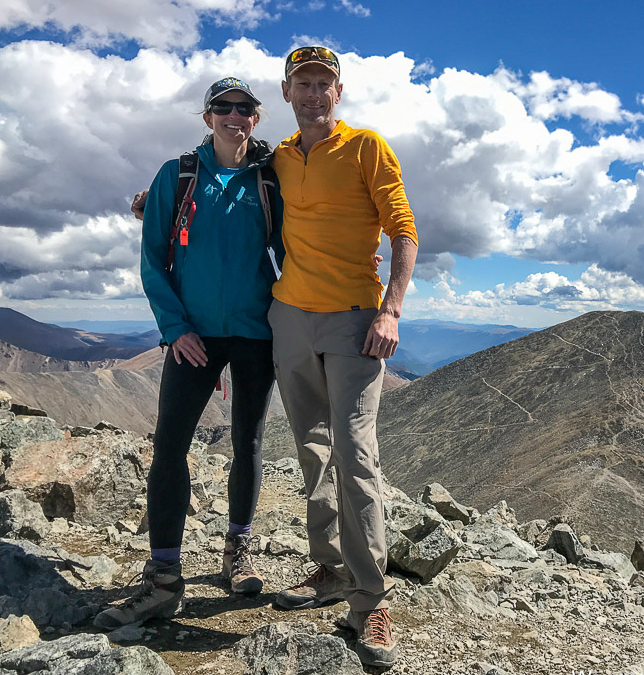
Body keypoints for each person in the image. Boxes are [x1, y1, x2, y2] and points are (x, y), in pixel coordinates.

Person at [96, 77, 282, 629]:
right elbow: (153, 258)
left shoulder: (272, 176)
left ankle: (237, 551)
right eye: (222, 108)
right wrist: (175, 329)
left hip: (256, 332)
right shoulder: (177, 176)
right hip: (191, 337)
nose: (233, 116)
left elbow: (314, 224)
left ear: (256, 117)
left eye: (244, 108)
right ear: (207, 119)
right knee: (170, 446)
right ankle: (164, 578)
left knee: (247, 441)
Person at [267, 46, 417, 669]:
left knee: (356, 454)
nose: (312, 93)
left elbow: (403, 229)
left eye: (323, 83)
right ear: (286, 91)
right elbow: (214, 173)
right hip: (289, 318)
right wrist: (157, 195)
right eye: (302, 82)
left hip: (356, 321)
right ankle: (328, 569)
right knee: (313, 446)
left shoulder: (366, 147)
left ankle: (370, 598)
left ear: (339, 92)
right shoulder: (275, 156)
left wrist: (391, 309)